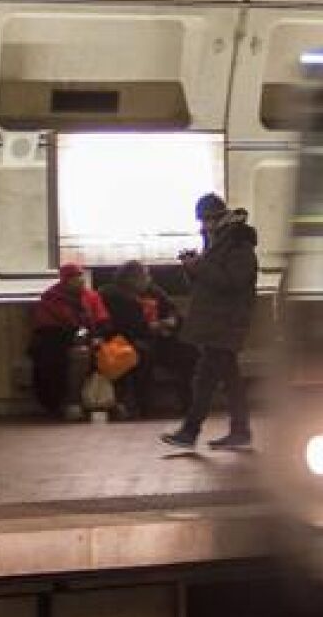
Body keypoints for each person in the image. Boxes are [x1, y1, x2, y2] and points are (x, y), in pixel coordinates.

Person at [162, 193, 259, 451]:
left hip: (225, 322)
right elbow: (209, 282)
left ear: (217, 218)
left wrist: (199, 267)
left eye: (205, 221)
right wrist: (192, 266)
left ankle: (190, 431)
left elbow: (231, 282)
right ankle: (240, 431)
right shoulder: (218, 242)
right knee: (230, 380)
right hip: (217, 322)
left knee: (205, 379)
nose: (202, 227)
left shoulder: (238, 244)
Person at [101, 260, 194, 420]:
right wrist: (151, 327)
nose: (149, 279)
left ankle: (189, 403)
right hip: (125, 341)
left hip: (159, 338)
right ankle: (143, 406)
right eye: (144, 276)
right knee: (141, 354)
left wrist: (172, 320)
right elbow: (121, 324)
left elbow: (171, 310)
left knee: (187, 351)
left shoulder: (153, 291)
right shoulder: (112, 294)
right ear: (130, 279)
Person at [28, 263, 108, 419]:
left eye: (80, 277)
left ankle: (94, 401)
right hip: (59, 339)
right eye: (75, 277)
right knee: (63, 357)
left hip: (89, 338)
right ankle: (68, 402)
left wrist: (97, 335)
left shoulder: (91, 296)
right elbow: (47, 327)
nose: (80, 281)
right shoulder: (51, 298)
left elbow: (102, 319)